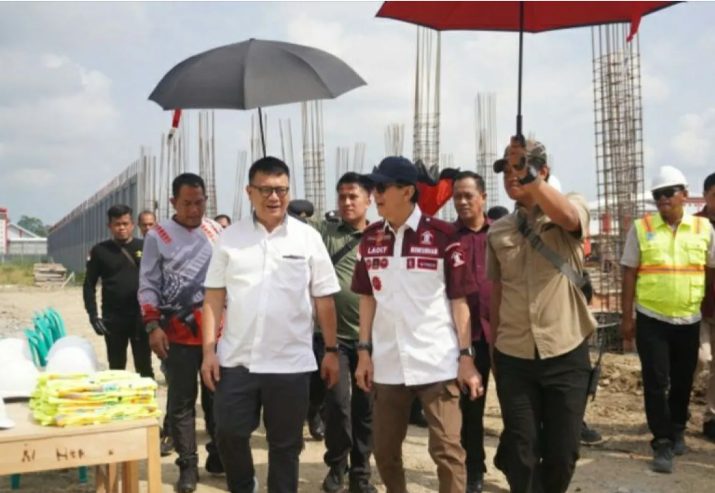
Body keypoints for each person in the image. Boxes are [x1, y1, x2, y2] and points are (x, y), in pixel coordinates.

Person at [200, 156, 341, 493]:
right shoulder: (229, 238)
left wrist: (332, 351)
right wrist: (208, 351)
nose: (274, 197)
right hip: (237, 360)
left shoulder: (307, 239)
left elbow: (324, 299)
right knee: (229, 433)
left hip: (289, 363)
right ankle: (243, 486)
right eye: (265, 189)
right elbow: (213, 297)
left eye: (281, 189)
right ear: (249, 192)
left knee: (285, 446)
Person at [353, 156, 483, 493]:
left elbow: (460, 301)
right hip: (388, 364)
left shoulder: (443, 236)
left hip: (436, 362)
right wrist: (364, 352)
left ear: (407, 190)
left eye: (382, 187)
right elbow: (367, 299)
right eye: (374, 187)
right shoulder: (369, 239)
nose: (375, 193)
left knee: (447, 452)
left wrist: (466, 357)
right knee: (384, 453)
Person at [488, 138, 596, 493]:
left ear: (542, 171)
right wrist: (494, 347)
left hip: (565, 351)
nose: (511, 174)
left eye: (519, 166)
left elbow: (568, 216)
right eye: (507, 167)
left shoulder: (570, 209)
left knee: (562, 453)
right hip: (514, 355)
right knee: (522, 449)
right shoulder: (499, 230)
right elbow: (498, 291)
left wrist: (531, 176)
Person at [620, 165, 715, 473]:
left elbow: (710, 270)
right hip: (652, 319)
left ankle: (676, 430)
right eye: (657, 195)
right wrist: (627, 317)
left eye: (668, 193)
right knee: (655, 382)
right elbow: (629, 272)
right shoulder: (642, 227)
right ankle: (661, 441)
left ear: (684, 195)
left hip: (688, 319)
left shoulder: (704, 230)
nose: (662, 200)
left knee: (683, 381)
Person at [139, 173, 224, 493]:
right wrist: (152, 326)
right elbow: (148, 284)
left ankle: (218, 455)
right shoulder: (158, 235)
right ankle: (188, 465)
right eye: (187, 203)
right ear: (174, 202)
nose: (194, 209)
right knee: (181, 403)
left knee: (219, 401)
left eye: (199, 202)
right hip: (176, 334)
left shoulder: (216, 231)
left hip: (215, 335)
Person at [309, 172, 378, 493]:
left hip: (371, 341)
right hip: (332, 340)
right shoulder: (325, 232)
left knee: (366, 409)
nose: (347, 203)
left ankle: (360, 473)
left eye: (354, 196)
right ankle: (337, 463)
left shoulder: (381, 236)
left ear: (369, 199)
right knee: (337, 406)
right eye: (342, 197)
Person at [452, 171, 493, 493]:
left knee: (519, 407)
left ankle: (513, 461)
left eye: (468, 195)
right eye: (457, 196)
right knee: (471, 410)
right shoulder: (447, 238)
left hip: (506, 335)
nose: (462, 202)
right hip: (467, 338)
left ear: (483, 198)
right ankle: (474, 470)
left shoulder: (503, 234)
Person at [83, 204, 153, 379]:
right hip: (113, 318)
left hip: (141, 318)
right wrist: (93, 316)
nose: (121, 228)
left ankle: (146, 405)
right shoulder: (100, 251)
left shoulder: (146, 247)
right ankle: (119, 404)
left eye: (125, 223)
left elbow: (158, 281)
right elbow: (89, 285)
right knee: (116, 369)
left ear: (132, 225)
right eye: (117, 224)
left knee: (144, 367)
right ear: (110, 226)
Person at [697, 172, 715, 442]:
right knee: (699, 360)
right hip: (696, 307)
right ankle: (674, 408)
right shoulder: (695, 226)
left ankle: (711, 417)